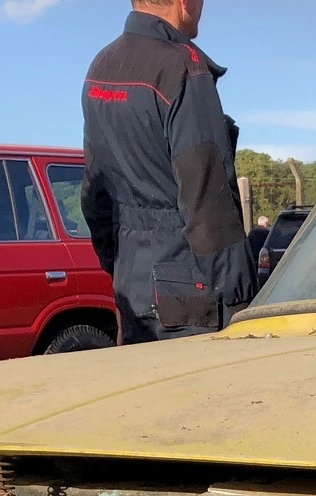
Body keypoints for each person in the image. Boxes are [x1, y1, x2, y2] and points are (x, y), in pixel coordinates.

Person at [81, 0, 257, 343]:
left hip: (132, 287)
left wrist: (118, 266)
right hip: (192, 294)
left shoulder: (100, 67)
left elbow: (94, 192)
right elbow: (207, 201)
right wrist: (241, 301)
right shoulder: (183, 66)